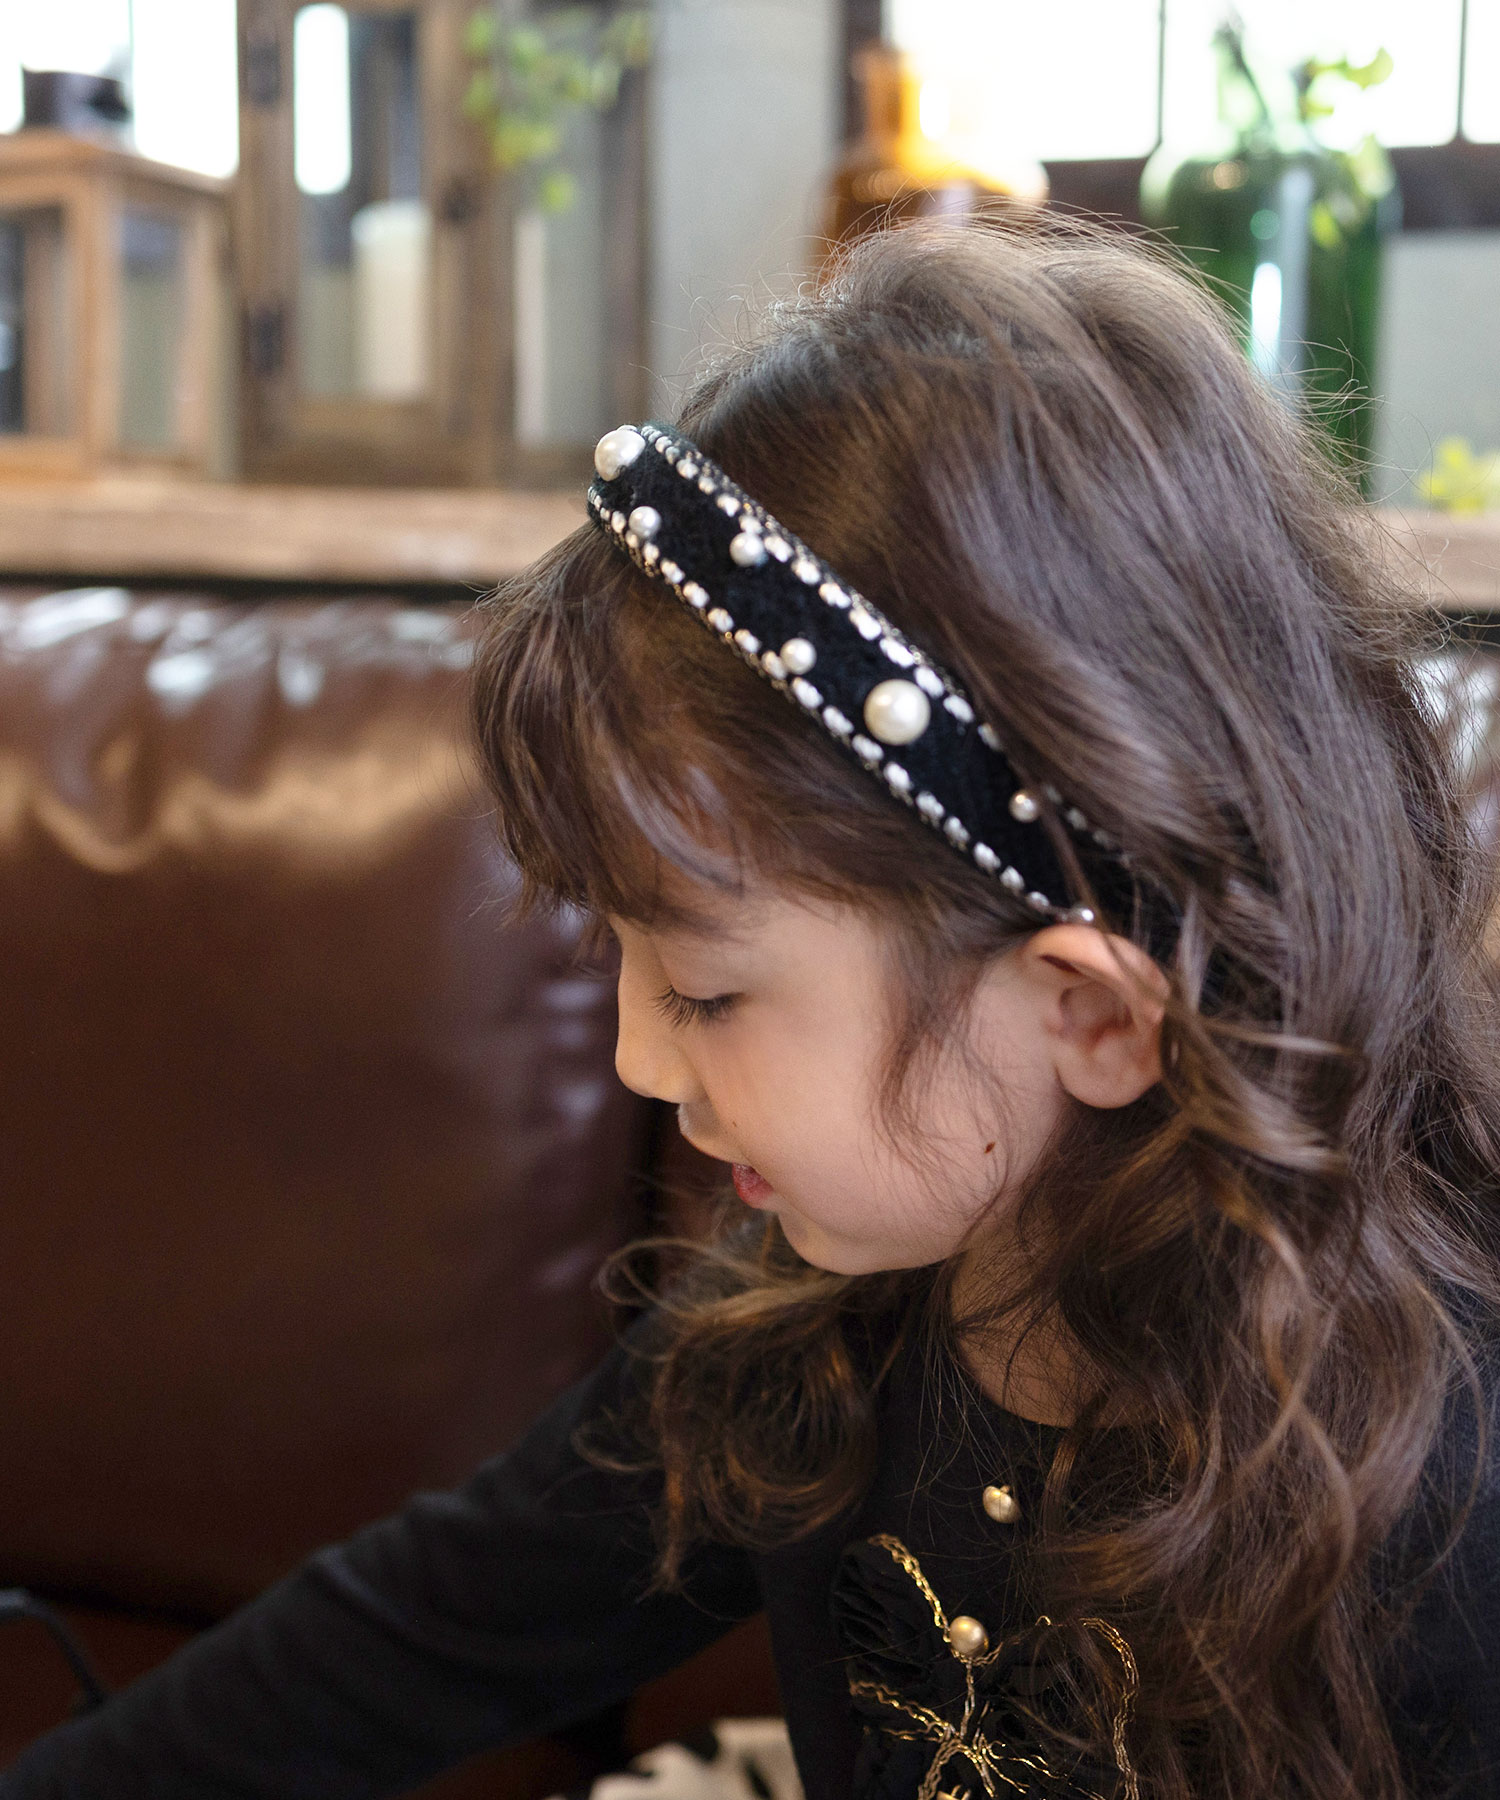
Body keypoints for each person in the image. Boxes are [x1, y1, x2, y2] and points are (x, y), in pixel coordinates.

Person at [6, 218, 1500, 1800]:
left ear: (1095, 1018)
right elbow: (421, 1633)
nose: (642, 1057)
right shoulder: (819, 1325)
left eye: (708, 992)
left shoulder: (1429, 1511)